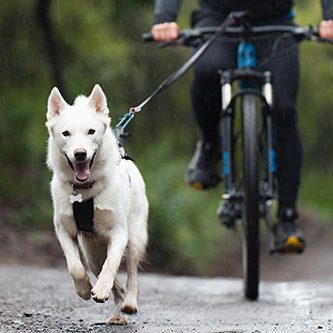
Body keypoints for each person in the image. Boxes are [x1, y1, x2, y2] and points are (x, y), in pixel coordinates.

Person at [150, 1, 333, 252]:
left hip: (276, 23)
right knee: (207, 72)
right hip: (218, 19)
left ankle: (288, 217)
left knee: (285, 109)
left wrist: (330, 17)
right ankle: (209, 147)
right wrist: (164, 19)